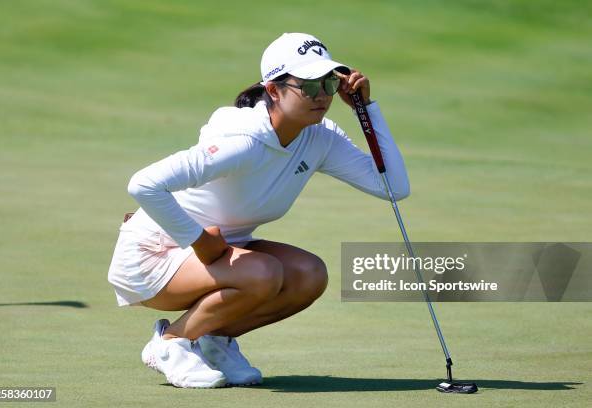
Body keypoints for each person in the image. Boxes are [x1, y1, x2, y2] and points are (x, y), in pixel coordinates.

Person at [107, 32, 410, 389]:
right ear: (274, 90)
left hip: (221, 256)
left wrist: (366, 109)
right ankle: (170, 344)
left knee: (308, 274)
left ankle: (213, 340)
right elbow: (143, 183)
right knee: (264, 272)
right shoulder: (244, 140)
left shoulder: (320, 137)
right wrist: (198, 240)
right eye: (309, 86)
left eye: (329, 83)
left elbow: (393, 188)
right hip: (153, 255)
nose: (323, 96)